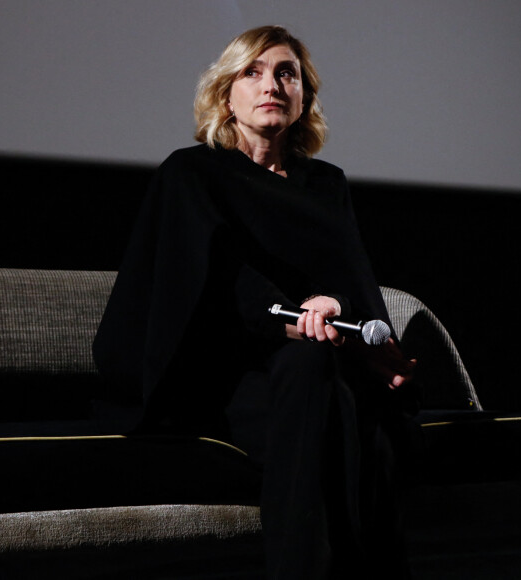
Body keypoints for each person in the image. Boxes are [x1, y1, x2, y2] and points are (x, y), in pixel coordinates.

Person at [93, 25, 418, 579]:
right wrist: (289, 319)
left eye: (286, 73)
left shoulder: (326, 184)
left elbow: (353, 276)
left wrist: (351, 320)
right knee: (324, 385)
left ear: (303, 99)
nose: (271, 84)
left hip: (318, 364)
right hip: (223, 366)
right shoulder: (192, 173)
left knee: (340, 394)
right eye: (253, 72)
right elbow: (211, 278)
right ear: (227, 95)